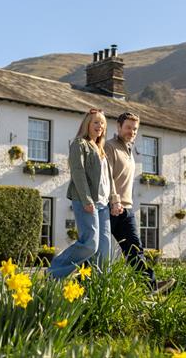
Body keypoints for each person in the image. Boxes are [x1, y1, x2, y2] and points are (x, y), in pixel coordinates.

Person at [105, 112, 175, 293]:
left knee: (135, 249)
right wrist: (114, 200)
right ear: (118, 127)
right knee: (97, 250)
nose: (132, 131)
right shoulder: (109, 146)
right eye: (128, 127)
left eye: (135, 129)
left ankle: (150, 286)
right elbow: (108, 176)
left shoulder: (129, 150)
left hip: (126, 208)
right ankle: (76, 283)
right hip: (110, 207)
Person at [48, 109, 122, 279]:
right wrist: (87, 199)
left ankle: (98, 285)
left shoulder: (101, 149)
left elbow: (108, 178)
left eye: (102, 123)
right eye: (96, 122)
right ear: (87, 124)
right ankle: (54, 272)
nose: (100, 126)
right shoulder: (79, 144)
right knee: (90, 244)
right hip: (86, 201)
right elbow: (78, 172)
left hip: (103, 204)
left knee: (104, 250)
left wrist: (115, 200)